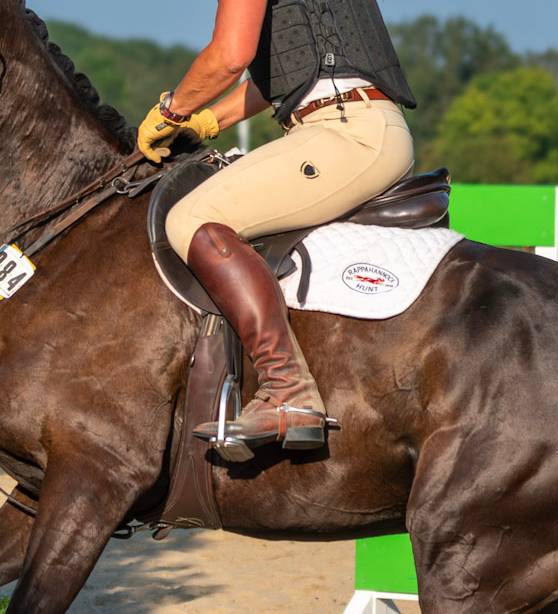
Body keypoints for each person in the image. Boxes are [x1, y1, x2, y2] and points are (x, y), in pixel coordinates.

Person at [136, 0, 417, 452]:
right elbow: (295, 73)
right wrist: (209, 122)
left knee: (191, 218)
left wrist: (172, 111)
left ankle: (288, 390)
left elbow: (229, 55)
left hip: (346, 129)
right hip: (350, 120)